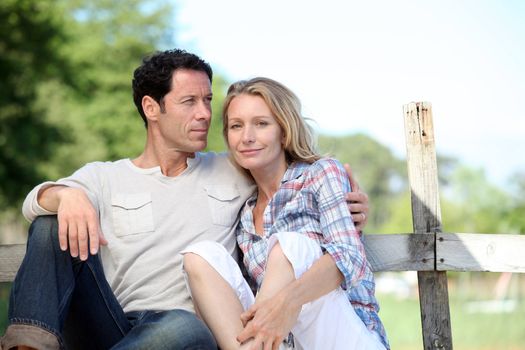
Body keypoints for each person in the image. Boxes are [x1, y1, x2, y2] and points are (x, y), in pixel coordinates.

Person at [1, 50, 370, 350]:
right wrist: (67, 195)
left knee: (182, 325)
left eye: (208, 101)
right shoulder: (104, 177)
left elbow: (287, 178)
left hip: (188, 334)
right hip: (110, 326)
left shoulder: (234, 168)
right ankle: (26, 345)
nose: (205, 114)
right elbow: (34, 201)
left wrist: (346, 203)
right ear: (151, 108)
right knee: (50, 224)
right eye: (190, 101)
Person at [182, 77, 389, 350]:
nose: (247, 137)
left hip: (345, 335)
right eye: (236, 126)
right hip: (284, 343)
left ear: (284, 130)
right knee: (200, 256)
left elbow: (350, 257)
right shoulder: (244, 216)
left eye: (261, 124)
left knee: (290, 246)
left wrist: (287, 302)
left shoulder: (321, 173)